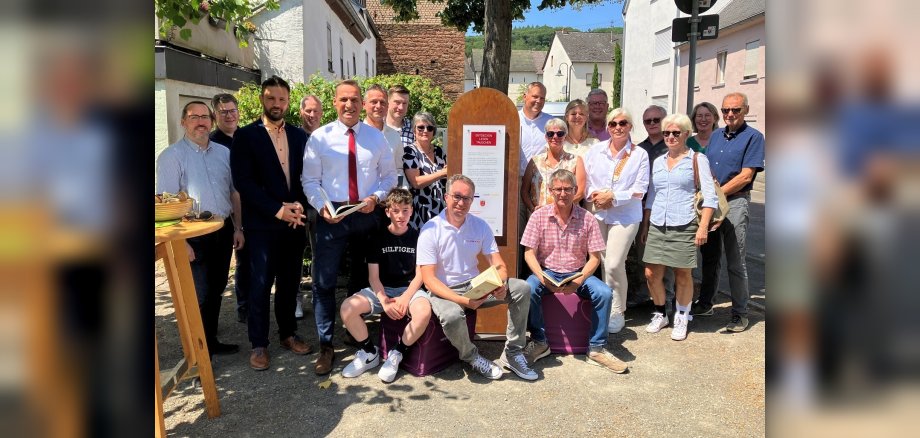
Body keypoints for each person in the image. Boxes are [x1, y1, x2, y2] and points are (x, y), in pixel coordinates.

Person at [302, 79, 398, 375]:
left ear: (361, 104)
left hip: (367, 216)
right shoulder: (320, 137)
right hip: (333, 216)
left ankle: (355, 332)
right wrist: (322, 207)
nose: (349, 105)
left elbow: (390, 176)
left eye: (354, 99)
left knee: (363, 277)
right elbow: (310, 181)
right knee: (324, 281)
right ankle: (326, 345)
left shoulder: (376, 137)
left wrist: (377, 197)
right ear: (334, 103)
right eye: (343, 99)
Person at [417, 175, 538, 381]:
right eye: (457, 196)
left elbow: (498, 264)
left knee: (521, 288)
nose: (461, 203)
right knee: (452, 316)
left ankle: (513, 352)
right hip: (443, 290)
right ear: (446, 197)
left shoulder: (480, 225)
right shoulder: (430, 229)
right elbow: (429, 280)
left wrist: (500, 282)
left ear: (472, 200)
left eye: (467, 198)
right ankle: (471, 357)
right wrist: (465, 301)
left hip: (475, 286)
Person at [231, 76, 314, 371]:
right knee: (260, 284)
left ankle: (288, 334)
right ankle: (259, 344)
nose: (276, 104)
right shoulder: (245, 136)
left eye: (281, 99)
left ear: (288, 102)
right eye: (270, 98)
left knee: (290, 283)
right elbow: (244, 183)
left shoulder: (298, 136)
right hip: (263, 225)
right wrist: (278, 210)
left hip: (294, 223)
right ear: (262, 100)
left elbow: (306, 178)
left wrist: (300, 207)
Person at [157, 101, 243, 357]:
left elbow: (233, 193)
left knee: (216, 290)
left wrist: (238, 228)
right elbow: (163, 204)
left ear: (212, 121)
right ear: (183, 122)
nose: (200, 122)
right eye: (194, 117)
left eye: (205, 117)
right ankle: (196, 355)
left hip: (222, 229)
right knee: (198, 295)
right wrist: (179, 242)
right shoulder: (171, 157)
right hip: (191, 236)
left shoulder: (223, 154)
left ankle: (209, 342)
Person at [522, 169, 628, 373]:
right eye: (558, 189)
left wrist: (579, 280)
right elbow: (529, 254)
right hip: (547, 271)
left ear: (575, 190)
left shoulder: (587, 218)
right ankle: (539, 341)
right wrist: (542, 277)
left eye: (568, 189)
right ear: (551, 190)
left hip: (577, 273)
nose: (563, 194)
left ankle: (597, 348)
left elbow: (595, 258)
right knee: (528, 288)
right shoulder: (539, 216)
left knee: (604, 293)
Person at [338, 188, 432, 383]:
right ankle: (369, 352)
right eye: (396, 211)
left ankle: (397, 353)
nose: (401, 215)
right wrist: (384, 302)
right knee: (347, 308)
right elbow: (373, 277)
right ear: (387, 212)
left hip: (409, 289)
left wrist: (405, 298)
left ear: (412, 210)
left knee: (423, 312)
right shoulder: (377, 237)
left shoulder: (419, 237)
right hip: (383, 289)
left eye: (405, 210)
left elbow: (420, 275)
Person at [639, 114, 718, 341]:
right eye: (666, 133)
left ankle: (682, 315)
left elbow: (710, 197)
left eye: (676, 132)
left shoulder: (697, 160)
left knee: (683, 273)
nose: (671, 137)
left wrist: (702, 228)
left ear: (686, 134)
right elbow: (652, 196)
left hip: (684, 223)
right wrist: (645, 224)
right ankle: (661, 313)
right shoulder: (658, 161)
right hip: (657, 224)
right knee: (651, 273)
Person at [694, 92, 765, 332]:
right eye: (726, 110)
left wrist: (715, 194)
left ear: (745, 110)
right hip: (712, 205)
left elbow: (746, 176)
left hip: (734, 203)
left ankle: (740, 313)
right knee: (710, 257)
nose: (730, 115)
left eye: (735, 110)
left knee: (736, 261)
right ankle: (706, 303)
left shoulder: (754, 137)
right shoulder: (715, 136)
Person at [583, 108, 649, 334]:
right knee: (600, 262)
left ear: (630, 126)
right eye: (613, 123)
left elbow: (640, 190)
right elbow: (587, 181)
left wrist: (614, 198)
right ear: (608, 127)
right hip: (598, 212)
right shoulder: (596, 150)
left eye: (623, 123)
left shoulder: (639, 154)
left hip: (625, 216)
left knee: (613, 263)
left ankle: (617, 311)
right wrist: (596, 196)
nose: (618, 127)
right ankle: (603, 306)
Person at [208, 93, 250, 324]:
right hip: (228, 211)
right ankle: (243, 305)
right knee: (242, 259)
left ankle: (252, 301)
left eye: (232, 110)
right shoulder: (212, 142)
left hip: (253, 207)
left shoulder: (246, 136)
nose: (229, 115)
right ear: (215, 115)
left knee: (253, 256)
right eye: (223, 112)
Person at [632, 104, 675, 309]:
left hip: (667, 207)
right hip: (642, 208)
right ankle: (644, 293)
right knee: (644, 253)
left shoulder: (673, 146)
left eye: (656, 120)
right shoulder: (639, 149)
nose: (652, 124)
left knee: (665, 254)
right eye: (647, 121)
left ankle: (667, 296)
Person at [521, 117, 586, 218]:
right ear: (546, 137)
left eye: (560, 134)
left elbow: (580, 192)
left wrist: (558, 208)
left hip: (567, 217)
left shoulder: (576, 160)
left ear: (565, 136)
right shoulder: (534, 161)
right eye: (550, 134)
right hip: (539, 218)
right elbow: (524, 191)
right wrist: (533, 209)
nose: (555, 137)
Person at [296, 94, 324, 319]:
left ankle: (317, 295)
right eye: (308, 111)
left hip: (318, 205)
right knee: (294, 254)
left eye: (316, 111)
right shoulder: (292, 136)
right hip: (296, 206)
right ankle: (295, 298)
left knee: (318, 253)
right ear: (300, 113)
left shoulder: (326, 138)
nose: (312, 115)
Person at [403, 112, 447, 230]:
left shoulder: (439, 151)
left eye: (430, 128)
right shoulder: (409, 151)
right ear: (414, 130)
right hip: (420, 210)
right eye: (421, 127)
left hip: (441, 208)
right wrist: (441, 173)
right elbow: (416, 182)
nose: (425, 130)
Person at [363, 84, 405, 187]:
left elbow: (398, 170)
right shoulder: (356, 135)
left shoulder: (394, 136)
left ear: (387, 106)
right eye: (374, 102)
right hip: (364, 199)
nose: (378, 106)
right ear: (364, 104)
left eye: (382, 102)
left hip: (389, 198)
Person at [518, 82, 554, 176]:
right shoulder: (513, 119)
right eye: (535, 96)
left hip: (541, 178)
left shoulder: (550, 122)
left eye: (542, 98)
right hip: (516, 179)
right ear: (525, 96)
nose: (538, 101)